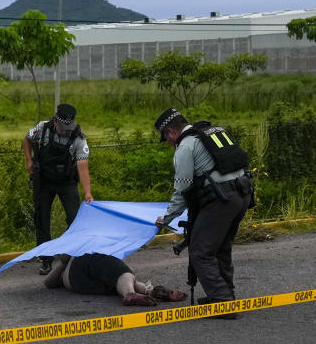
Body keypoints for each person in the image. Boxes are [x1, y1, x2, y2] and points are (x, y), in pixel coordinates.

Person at [152, 108, 254, 319]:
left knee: (200, 252)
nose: (169, 143)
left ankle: (221, 303)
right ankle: (226, 295)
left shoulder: (185, 147)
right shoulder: (207, 134)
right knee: (221, 248)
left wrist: (166, 218)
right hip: (243, 194)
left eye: (167, 139)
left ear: (171, 132)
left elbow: (182, 190)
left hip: (222, 201)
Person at [22, 103, 94, 275]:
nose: (66, 130)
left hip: (66, 182)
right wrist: (29, 160)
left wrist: (88, 192)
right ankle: (45, 259)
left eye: (69, 127)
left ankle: (70, 255)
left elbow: (82, 167)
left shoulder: (79, 139)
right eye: (63, 127)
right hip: (44, 181)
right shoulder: (41, 128)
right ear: (55, 121)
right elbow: (26, 139)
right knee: (41, 218)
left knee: (75, 218)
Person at [42, 252, 187, 305]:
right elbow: (48, 282)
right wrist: (66, 258)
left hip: (86, 285)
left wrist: (64, 259)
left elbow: (48, 282)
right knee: (112, 266)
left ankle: (148, 291)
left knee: (116, 282)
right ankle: (132, 293)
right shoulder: (74, 257)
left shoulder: (67, 262)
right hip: (80, 267)